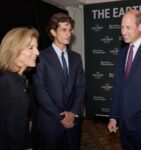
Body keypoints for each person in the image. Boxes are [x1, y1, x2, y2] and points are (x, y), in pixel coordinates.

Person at [32, 12, 85, 150]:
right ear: (53, 32)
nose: (69, 34)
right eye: (64, 30)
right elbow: (40, 91)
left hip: (73, 122)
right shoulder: (40, 57)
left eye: (70, 30)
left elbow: (80, 87)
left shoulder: (76, 58)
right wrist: (60, 117)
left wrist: (72, 113)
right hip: (50, 124)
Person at [108, 9, 141, 150]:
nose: (123, 32)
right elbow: (118, 86)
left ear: (140, 27)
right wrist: (113, 116)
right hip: (124, 125)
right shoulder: (122, 53)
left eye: (128, 27)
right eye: (122, 27)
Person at [0, 27, 39, 150]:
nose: (37, 52)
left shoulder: (21, 80)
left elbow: (22, 120)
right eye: (31, 48)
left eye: (36, 47)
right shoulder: (5, 81)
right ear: (14, 50)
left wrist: (28, 145)